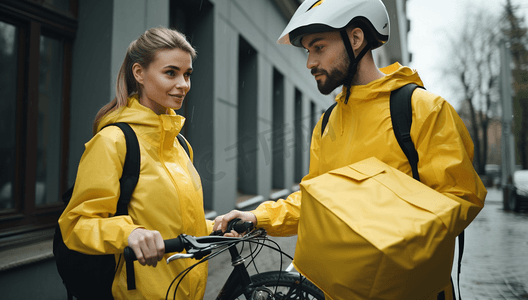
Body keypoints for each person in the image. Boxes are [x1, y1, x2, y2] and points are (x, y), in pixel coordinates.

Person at [213, 0, 487, 299]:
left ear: (356, 39)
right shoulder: (328, 122)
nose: (309, 63)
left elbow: (461, 198)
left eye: (318, 47)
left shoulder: (423, 109)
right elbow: (314, 202)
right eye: (308, 51)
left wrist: (382, 230)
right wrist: (259, 218)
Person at [58, 27, 212, 299]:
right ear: (139, 73)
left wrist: (216, 228)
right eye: (171, 73)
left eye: (187, 74)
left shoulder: (180, 145)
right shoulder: (113, 141)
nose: (184, 84)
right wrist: (129, 233)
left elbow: (174, 223)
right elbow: (76, 224)